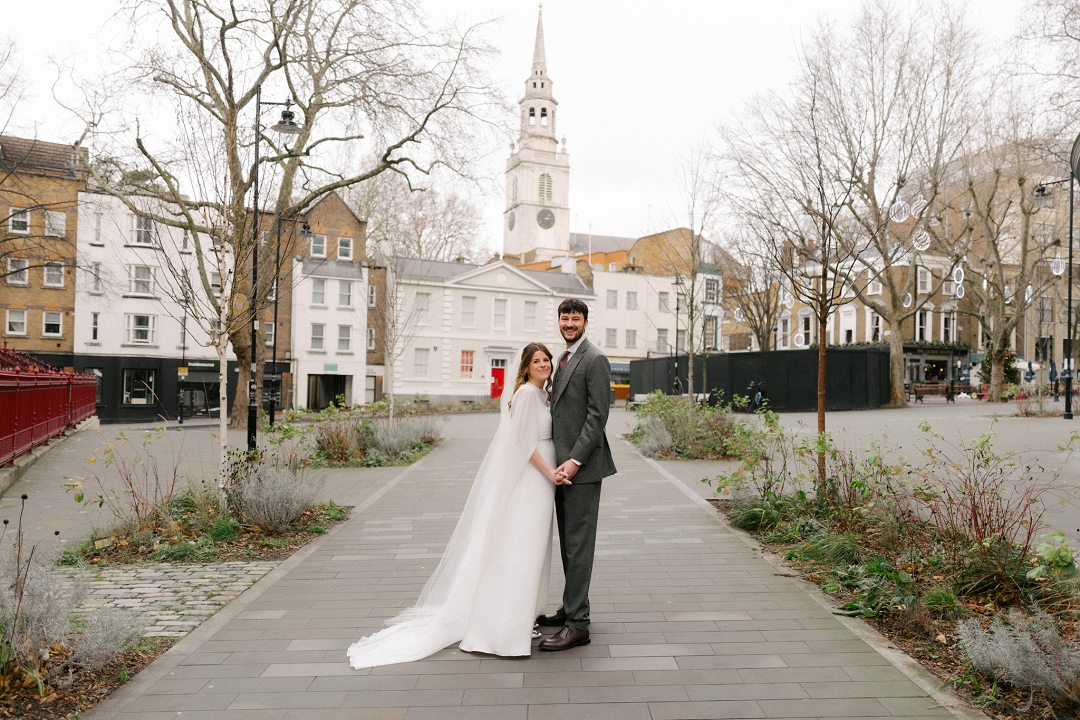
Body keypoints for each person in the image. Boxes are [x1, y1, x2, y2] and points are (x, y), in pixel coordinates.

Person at [346, 343, 569, 668]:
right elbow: (521, 443)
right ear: (526, 365)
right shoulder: (523, 395)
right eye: (537, 360)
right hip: (532, 479)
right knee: (521, 547)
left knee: (533, 549)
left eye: (546, 359)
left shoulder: (541, 394)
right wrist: (550, 470)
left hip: (543, 481)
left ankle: (523, 614)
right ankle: (504, 629)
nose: (543, 364)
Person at [536, 297, 618, 651]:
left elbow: (597, 417)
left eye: (575, 318)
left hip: (580, 470)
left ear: (586, 321)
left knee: (580, 545)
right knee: (570, 544)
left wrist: (575, 461)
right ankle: (572, 607)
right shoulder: (564, 358)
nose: (569, 323)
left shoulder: (595, 359)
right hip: (560, 468)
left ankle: (578, 625)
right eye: (564, 317)